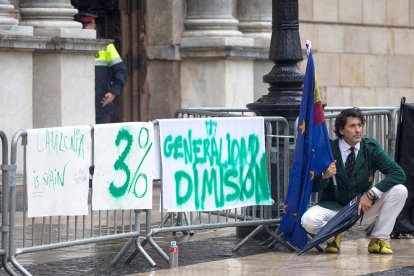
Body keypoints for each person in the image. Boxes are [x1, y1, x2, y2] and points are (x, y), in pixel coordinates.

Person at [301, 107, 407, 254]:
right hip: (333, 208)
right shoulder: (328, 149)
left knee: (400, 190)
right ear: (341, 130)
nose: (358, 130)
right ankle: (333, 235)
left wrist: (371, 194)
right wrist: (325, 175)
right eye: (352, 126)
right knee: (308, 221)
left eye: (360, 125)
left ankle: (378, 239)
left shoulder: (370, 148)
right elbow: (313, 187)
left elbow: (398, 173)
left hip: (361, 207)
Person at [74, 12, 128, 124]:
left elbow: (121, 71)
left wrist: (113, 92)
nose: (84, 29)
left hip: (101, 105)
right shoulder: (73, 46)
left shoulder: (106, 46)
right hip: (78, 105)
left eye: (87, 26)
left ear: (93, 26)